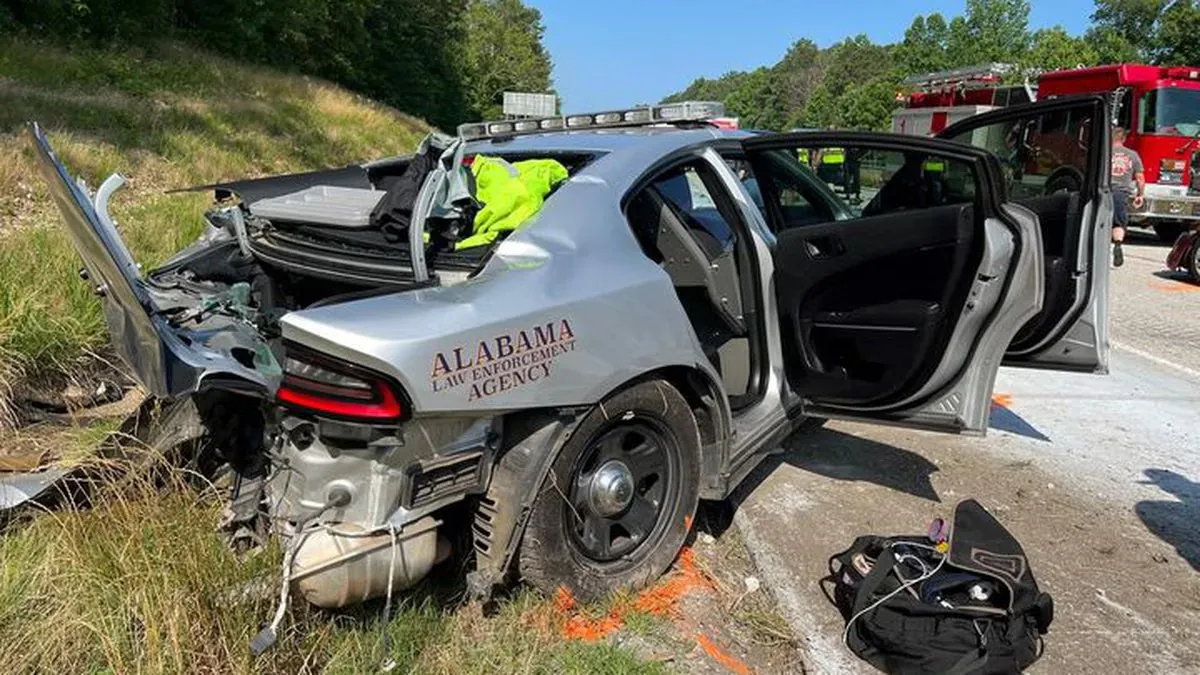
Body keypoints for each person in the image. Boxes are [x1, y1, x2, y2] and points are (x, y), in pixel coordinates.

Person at [1110, 126, 1145, 267]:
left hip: (1103, 191)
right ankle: (1117, 244)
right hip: (1121, 193)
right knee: (1118, 223)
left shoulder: (1104, 153)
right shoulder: (1133, 155)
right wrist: (1140, 195)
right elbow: (1140, 179)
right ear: (1124, 139)